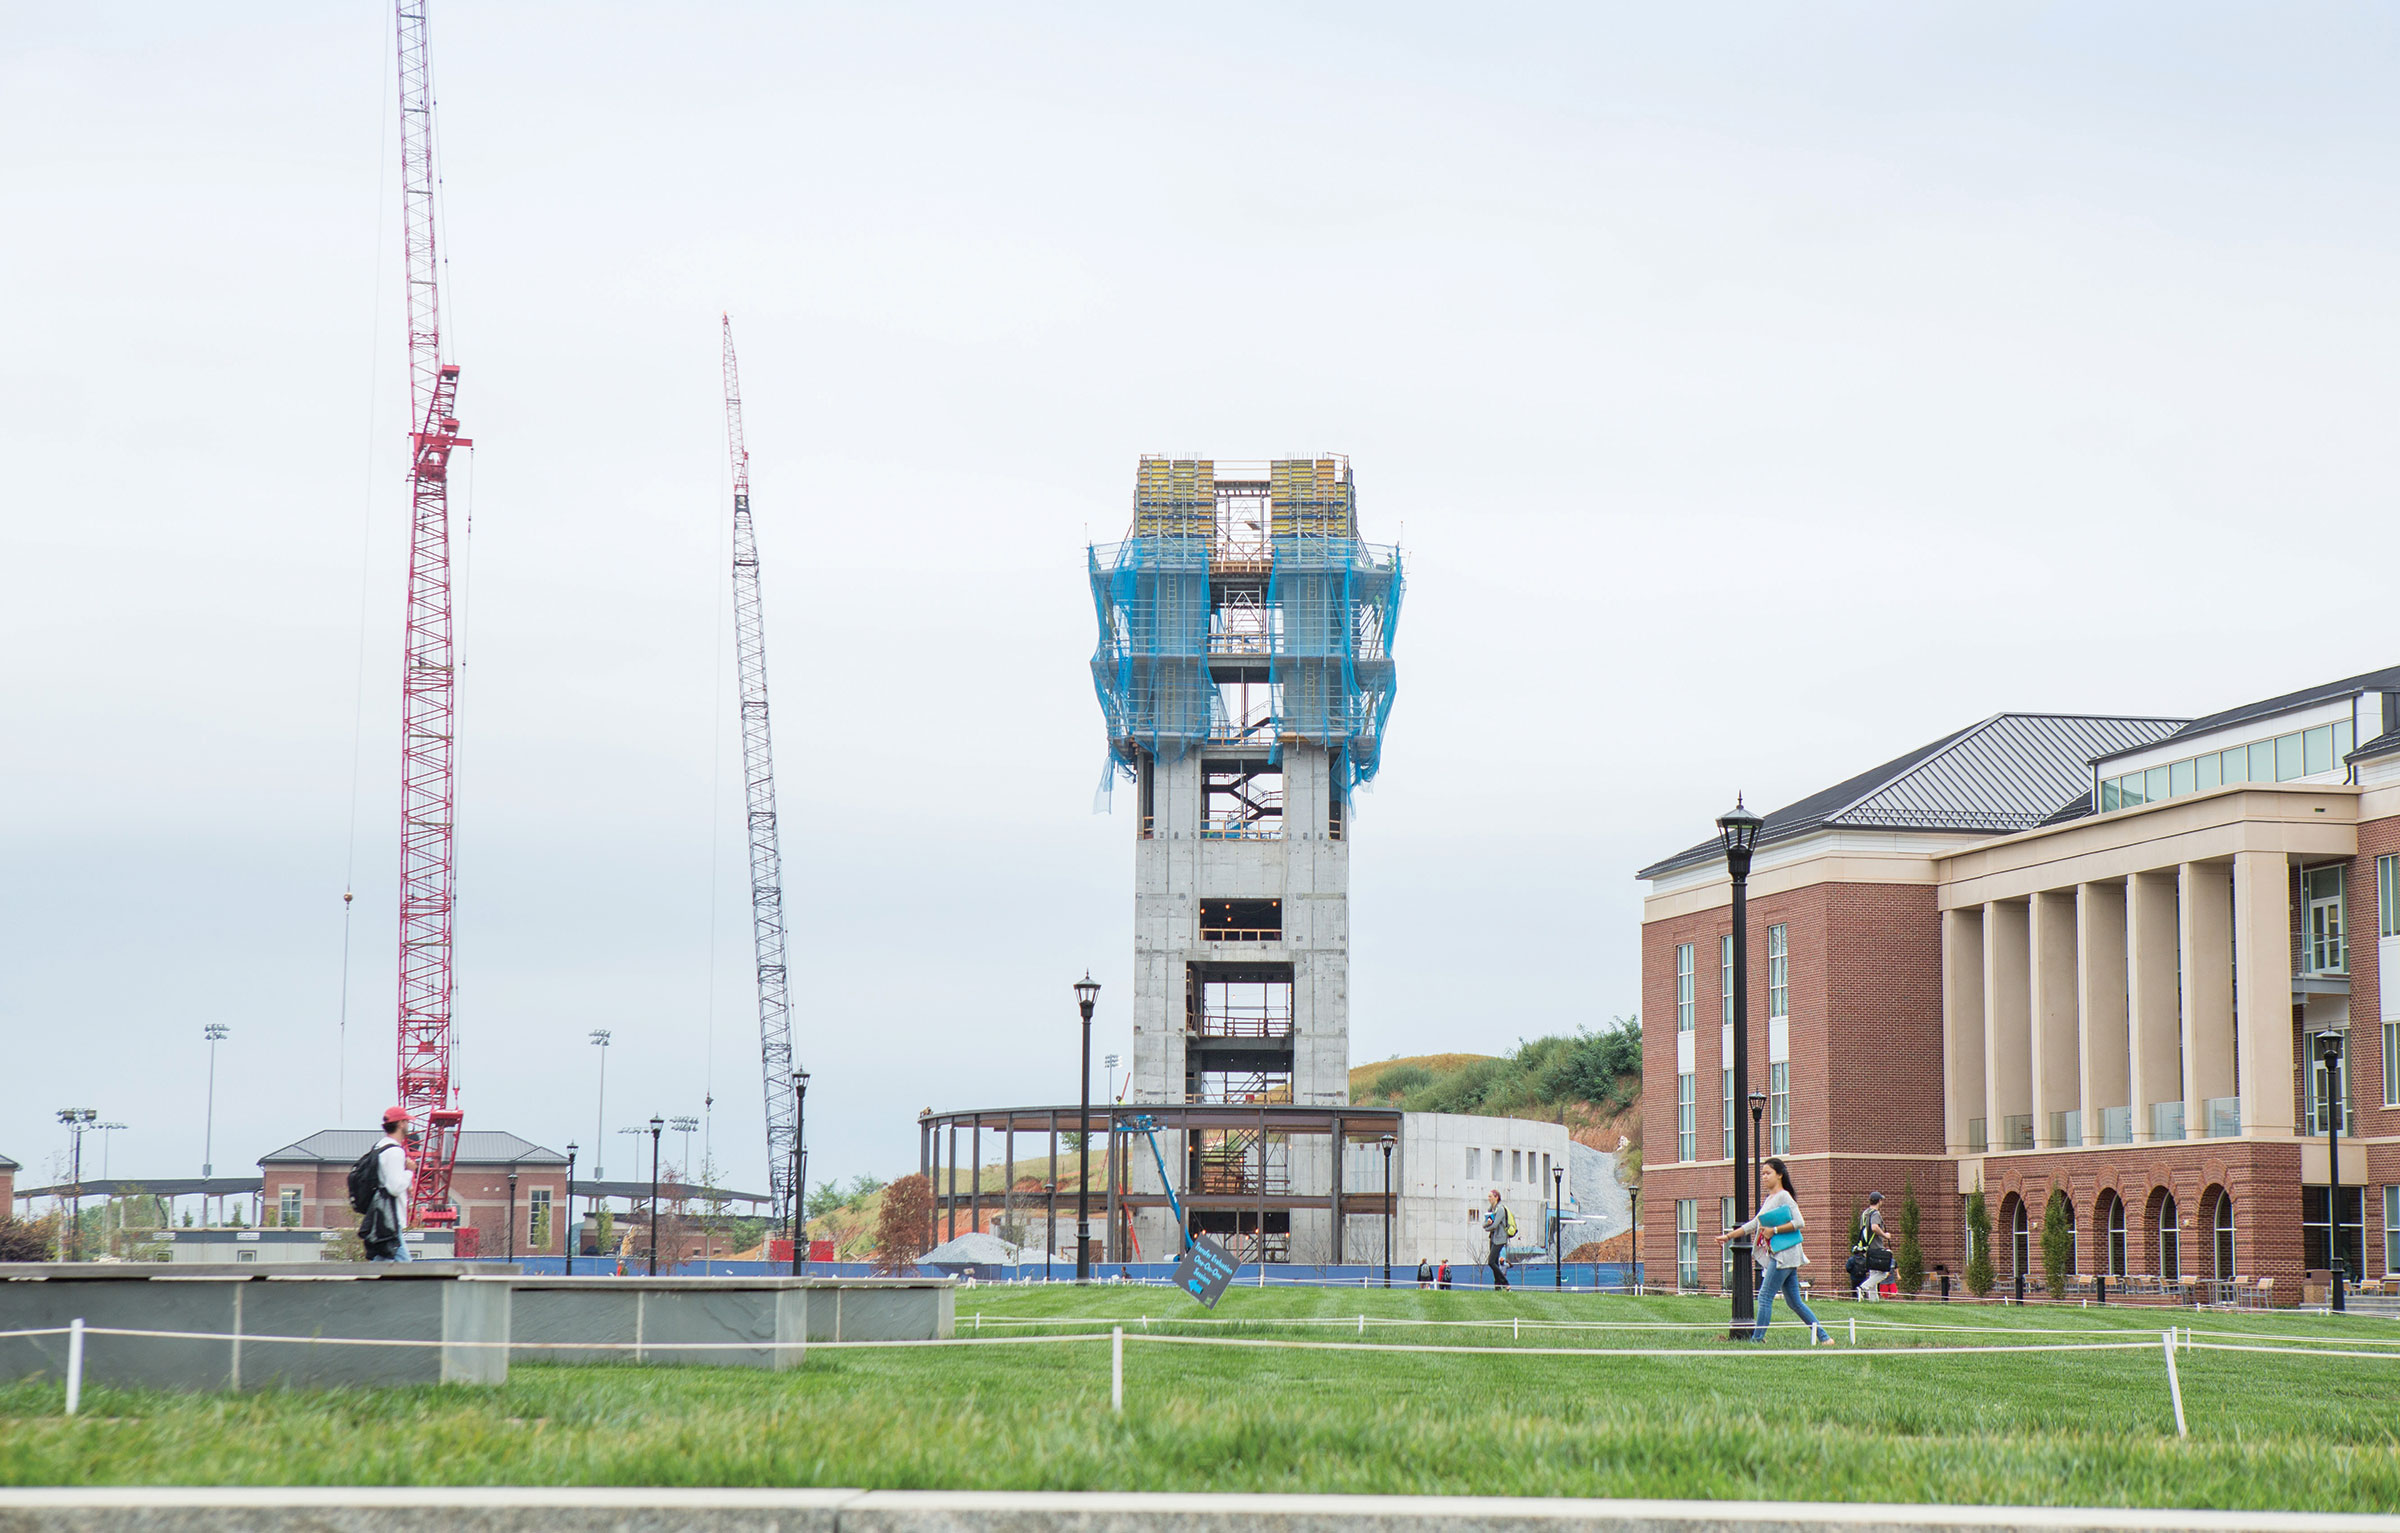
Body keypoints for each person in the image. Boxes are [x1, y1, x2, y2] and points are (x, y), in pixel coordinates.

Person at [1717, 1156, 1833, 1344]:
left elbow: (1799, 1222)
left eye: (1768, 1173)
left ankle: (1756, 1340)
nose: (1764, 1177)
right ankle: (1824, 1337)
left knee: (1764, 1296)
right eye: (1762, 1173)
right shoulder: (1770, 1198)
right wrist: (1729, 1236)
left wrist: (1775, 1230)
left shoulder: (1784, 1196)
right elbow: (1755, 1224)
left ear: (1779, 1175)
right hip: (1782, 1255)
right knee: (1794, 1302)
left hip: (1784, 1255)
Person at [360, 1106, 413, 1262]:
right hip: (390, 1220)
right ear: (401, 1124)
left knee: (383, 1265)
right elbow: (394, 1187)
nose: (409, 1126)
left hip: (380, 1217)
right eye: (407, 1122)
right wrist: (409, 1172)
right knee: (406, 1268)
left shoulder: (379, 1147)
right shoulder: (395, 1151)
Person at [1851, 1191, 1890, 1300]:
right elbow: (1874, 1227)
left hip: (1866, 1247)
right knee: (1883, 1273)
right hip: (1876, 1247)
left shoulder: (1865, 1213)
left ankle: (1873, 1300)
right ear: (1879, 1201)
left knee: (1873, 1274)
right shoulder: (1875, 1213)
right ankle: (1863, 1287)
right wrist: (1885, 1235)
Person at [1482, 1189, 1514, 1289]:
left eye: (1490, 1196)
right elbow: (1484, 1224)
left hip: (1500, 1238)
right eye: (1488, 1196)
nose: (1489, 1199)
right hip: (1492, 1237)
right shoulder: (1491, 1209)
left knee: (1490, 1261)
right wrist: (1487, 1225)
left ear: (1496, 1197)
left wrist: (1487, 1226)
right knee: (1494, 1262)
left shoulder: (1500, 1209)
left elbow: (1495, 1225)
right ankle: (1497, 1286)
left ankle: (1505, 1283)